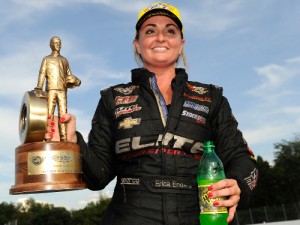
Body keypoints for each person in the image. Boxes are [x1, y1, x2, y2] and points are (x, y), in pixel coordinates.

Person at [46, 2, 258, 224]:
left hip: (203, 215)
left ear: (181, 43)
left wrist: (238, 185)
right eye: (150, 30)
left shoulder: (212, 97)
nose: (160, 37)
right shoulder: (112, 98)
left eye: (170, 30)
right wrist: (73, 144)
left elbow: (241, 157)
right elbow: (97, 177)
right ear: (137, 44)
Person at [35, 36, 81, 141]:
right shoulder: (46, 59)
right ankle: (47, 138)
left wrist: (76, 81)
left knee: (63, 114)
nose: (58, 45)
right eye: (55, 43)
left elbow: (69, 75)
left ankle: (64, 138)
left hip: (62, 90)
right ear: (51, 45)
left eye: (59, 43)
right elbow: (42, 73)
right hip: (51, 89)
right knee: (49, 113)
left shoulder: (64, 60)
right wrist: (39, 87)